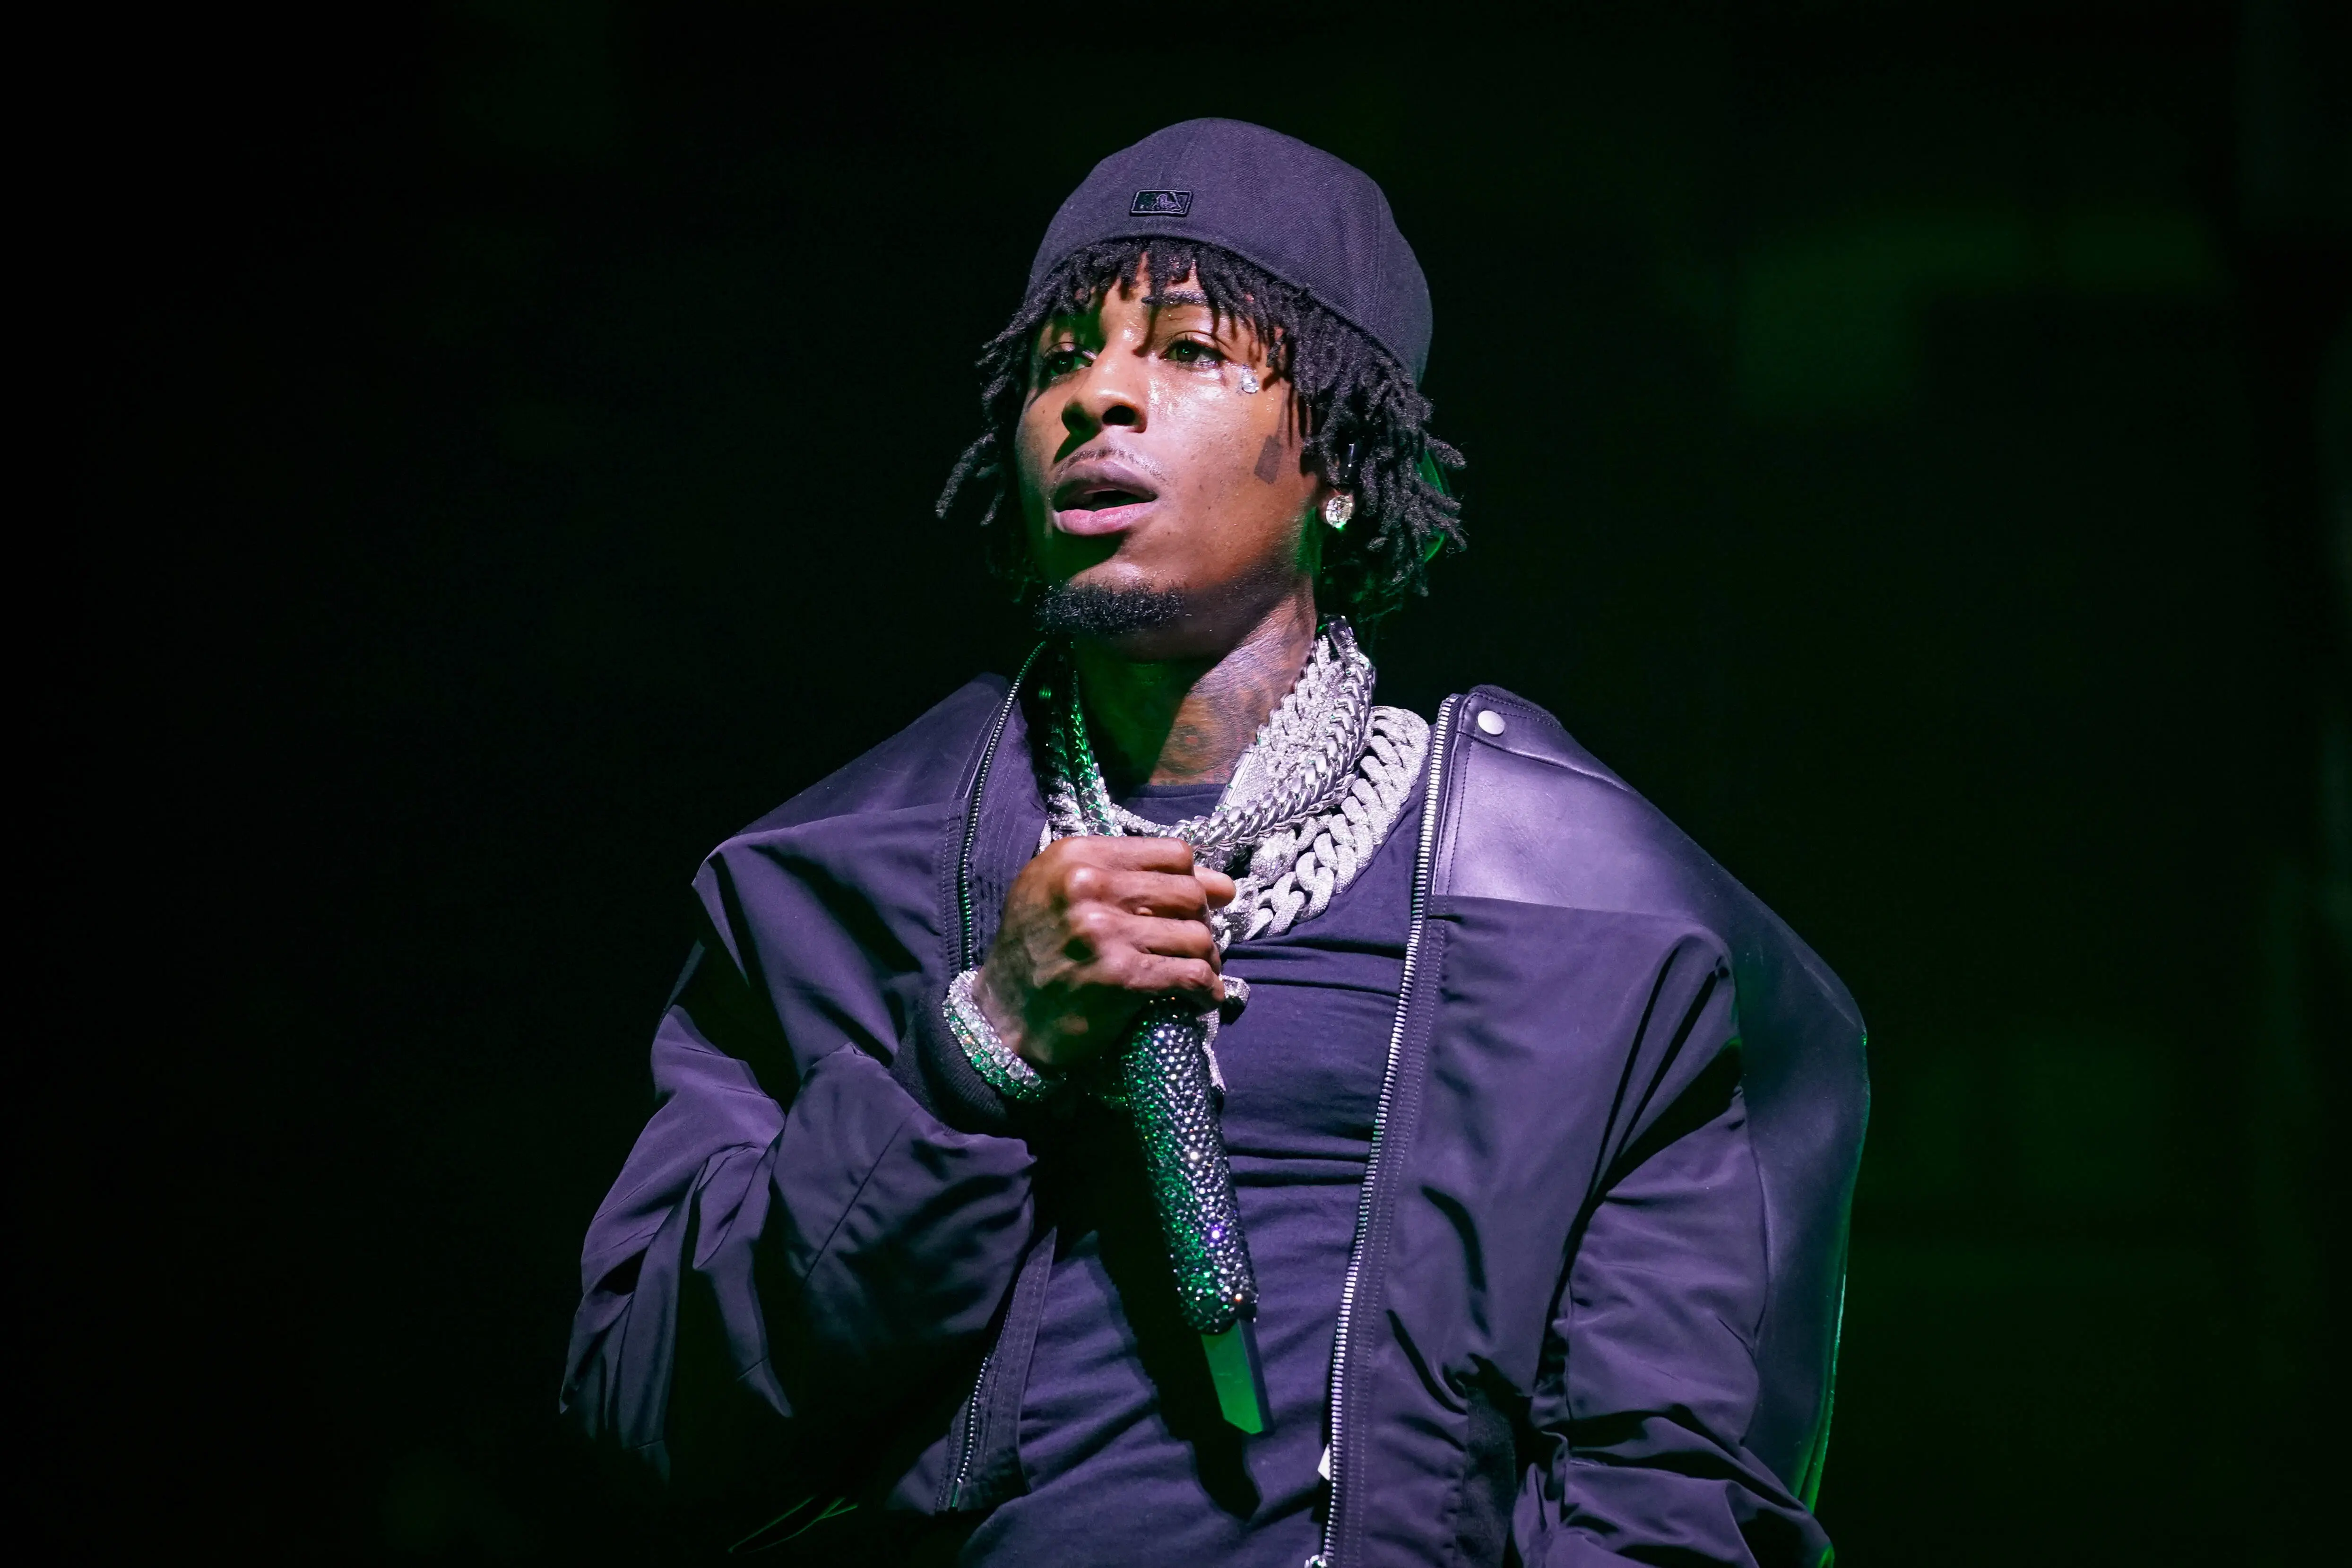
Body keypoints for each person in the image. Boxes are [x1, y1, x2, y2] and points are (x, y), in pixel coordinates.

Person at [562, 119, 1867, 1568]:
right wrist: (978, 1051)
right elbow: (648, 1422)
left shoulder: (1598, 922)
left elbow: (1670, 1486)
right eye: (1060, 357)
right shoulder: (833, 883)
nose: (1096, 396)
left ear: (1343, 463)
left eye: (1184, 349)